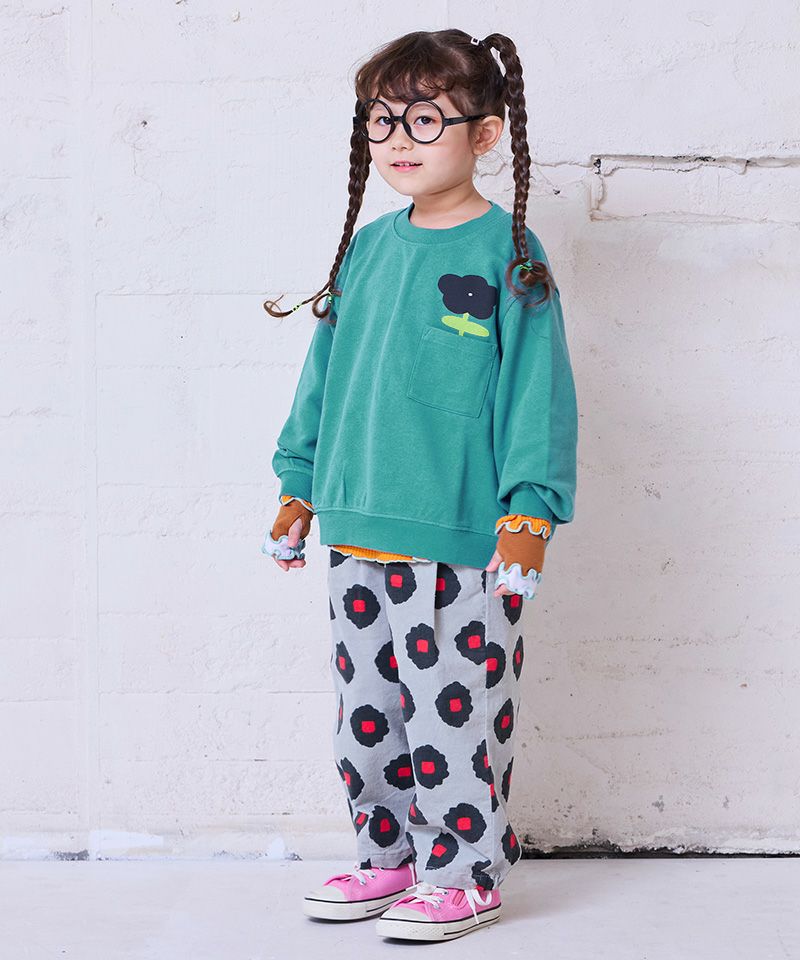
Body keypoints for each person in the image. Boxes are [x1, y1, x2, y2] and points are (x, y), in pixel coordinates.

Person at [262, 28, 578, 942]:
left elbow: (537, 395)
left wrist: (529, 515)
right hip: (356, 533)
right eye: (382, 120)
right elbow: (325, 378)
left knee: (453, 715)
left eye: (426, 119)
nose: (399, 138)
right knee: (367, 718)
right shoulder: (366, 250)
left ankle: (465, 875)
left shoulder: (509, 255)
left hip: (460, 543)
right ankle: (390, 858)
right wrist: (299, 484)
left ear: (485, 133)